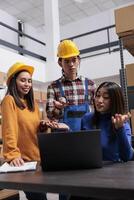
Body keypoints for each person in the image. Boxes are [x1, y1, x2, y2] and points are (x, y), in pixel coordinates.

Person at [1, 62, 68, 200]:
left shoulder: (33, 105)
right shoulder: (9, 100)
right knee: (39, 197)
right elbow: (9, 129)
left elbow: (36, 131)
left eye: (29, 81)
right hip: (23, 161)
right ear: (14, 81)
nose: (27, 84)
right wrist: (13, 154)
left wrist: (43, 127)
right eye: (23, 80)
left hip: (37, 159)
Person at [69, 81, 134, 200]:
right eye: (98, 95)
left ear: (114, 100)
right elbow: (81, 150)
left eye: (106, 97)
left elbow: (127, 157)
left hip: (112, 180)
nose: (99, 100)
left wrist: (119, 129)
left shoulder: (122, 122)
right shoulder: (86, 118)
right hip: (88, 176)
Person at [46, 39, 96, 131]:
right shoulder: (53, 87)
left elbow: (98, 111)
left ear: (79, 60)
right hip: (63, 138)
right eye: (67, 61)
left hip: (86, 136)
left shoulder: (90, 85)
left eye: (74, 60)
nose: (71, 64)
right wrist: (58, 108)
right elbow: (50, 116)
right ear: (60, 63)